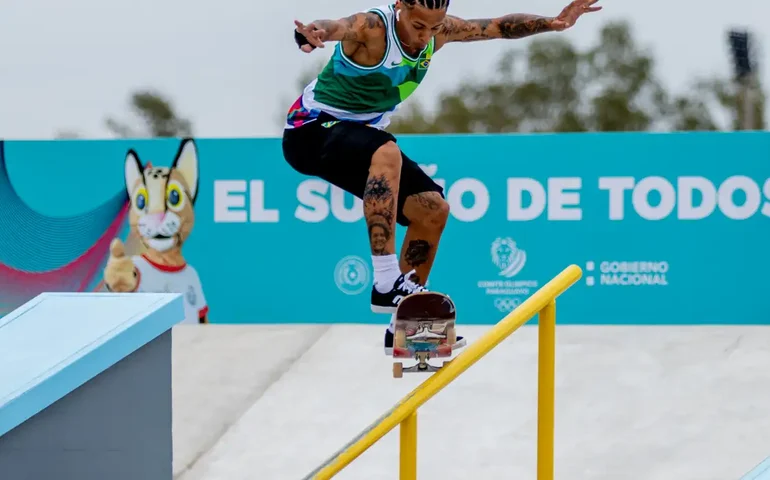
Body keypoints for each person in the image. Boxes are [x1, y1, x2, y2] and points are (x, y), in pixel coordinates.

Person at [282, 0, 602, 353]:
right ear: (400, 7)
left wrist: (552, 22)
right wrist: (313, 33)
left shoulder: (439, 32)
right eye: (418, 26)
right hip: (310, 131)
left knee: (432, 209)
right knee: (385, 150)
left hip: (358, 140)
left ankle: (407, 329)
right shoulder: (372, 27)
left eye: (433, 28)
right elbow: (337, 25)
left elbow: (496, 26)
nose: (424, 38)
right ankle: (386, 282)